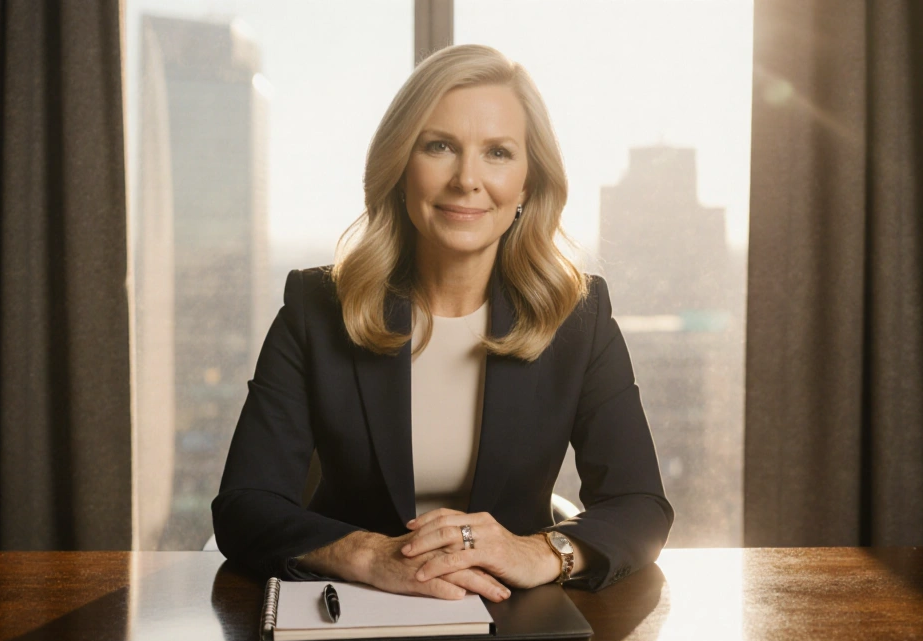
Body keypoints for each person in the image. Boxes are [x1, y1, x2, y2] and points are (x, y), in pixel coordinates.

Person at [212, 44, 673, 603]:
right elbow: (244, 505)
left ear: (528, 182)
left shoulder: (579, 316)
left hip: (511, 610)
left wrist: (540, 553)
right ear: (401, 167)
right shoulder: (316, 307)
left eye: (498, 152)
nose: (466, 180)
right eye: (439, 147)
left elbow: (640, 505)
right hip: (350, 605)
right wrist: (368, 555)